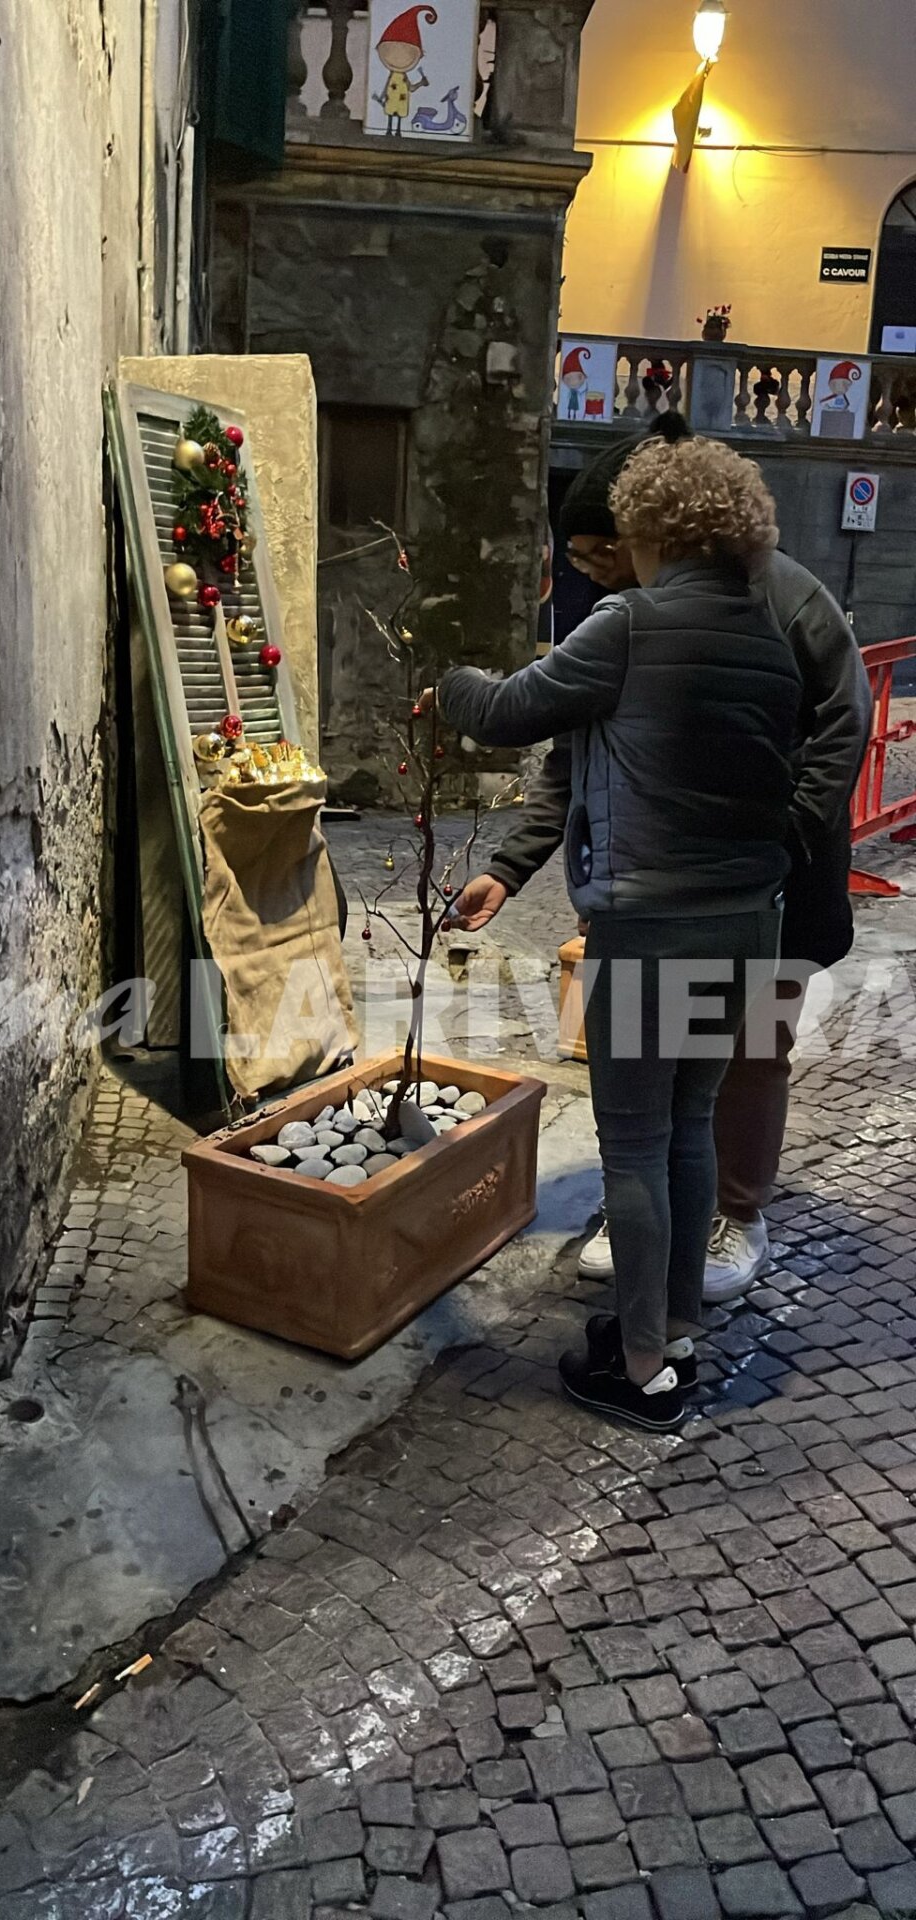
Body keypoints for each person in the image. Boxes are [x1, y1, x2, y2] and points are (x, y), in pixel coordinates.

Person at [453, 416, 871, 1305]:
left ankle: (735, 1213)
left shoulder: (784, 600)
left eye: (601, 555)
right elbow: (579, 744)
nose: (590, 576)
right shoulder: (627, 613)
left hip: (772, 880)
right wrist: (516, 860)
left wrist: (782, 831)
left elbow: (847, 722)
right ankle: (657, 1230)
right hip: (672, 886)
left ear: (650, 536)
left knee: (751, 1048)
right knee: (664, 1076)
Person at [432, 433, 803, 1432]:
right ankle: (672, 1332)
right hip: (745, 931)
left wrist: (449, 678)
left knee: (633, 1145)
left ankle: (642, 1373)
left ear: (650, 527)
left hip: (652, 934)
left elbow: (511, 711)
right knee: (685, 1131)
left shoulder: (628, 624)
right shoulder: (770, 637)